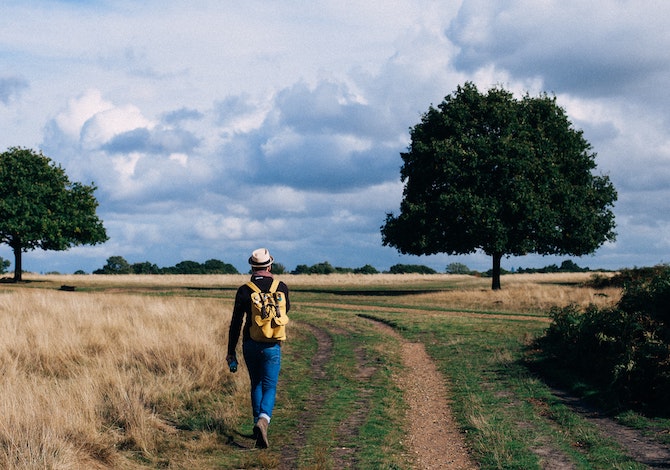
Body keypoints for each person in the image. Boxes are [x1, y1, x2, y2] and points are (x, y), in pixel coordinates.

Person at [227, 248, 290, 449]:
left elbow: (236, 322)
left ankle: (257, 423)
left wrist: (231, 351)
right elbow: (284, 311)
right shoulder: (282, 287)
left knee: (256, 383)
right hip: (272, 344)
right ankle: (264, 420)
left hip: (250, 343)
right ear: (269, 266)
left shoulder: (244, 290)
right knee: (270, 385)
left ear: (252, 267)